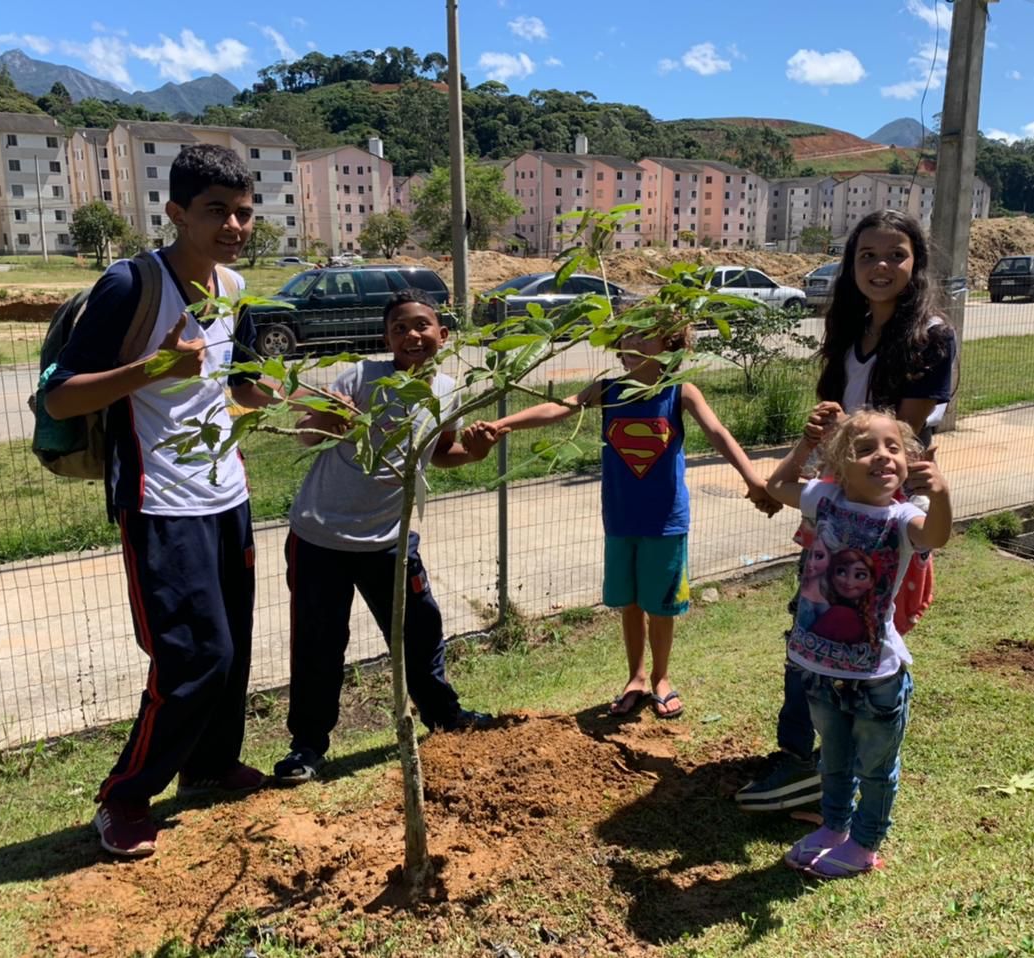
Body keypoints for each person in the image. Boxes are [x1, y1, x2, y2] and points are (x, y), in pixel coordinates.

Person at [44, 144, 276, 858]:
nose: (234, 225)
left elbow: (233, 387)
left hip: (225, 492)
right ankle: (124, 797)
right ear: (176, 212)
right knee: (191, 656)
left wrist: (265, 395)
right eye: (216, 211)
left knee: (230, 650)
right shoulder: (130, 284)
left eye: (242, 211)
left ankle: (206, 765)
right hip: (156, 500)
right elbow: (59, 392)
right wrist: (153, 367)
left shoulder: (235, 287)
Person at [736, 209, 958, 813]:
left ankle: (828, 770)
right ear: (850, 264)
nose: (881, 267)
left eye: (896, 255)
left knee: (860, 631)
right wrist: (812, 457)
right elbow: (843, 428)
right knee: (813, 621)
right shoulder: (850, 329)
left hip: (882, 514)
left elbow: (900, 442)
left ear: (916, 265)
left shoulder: (930, 335)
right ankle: (809, 762)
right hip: (837, 500)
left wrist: (833, 479)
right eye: (867, 255)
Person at [482, 318, 777, 720]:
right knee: (630, 603)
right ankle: (635, 677)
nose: (632, 340)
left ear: (669, 343)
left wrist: (753, 477)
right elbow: (560, 407)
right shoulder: (609, 391)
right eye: (626, 336)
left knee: (661, 605)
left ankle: (661, 678)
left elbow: (718, 432)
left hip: (665, 522)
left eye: (644, 333)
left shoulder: (679, 392)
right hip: (620, 520)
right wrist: (503, 424)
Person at [273, 289, 496, 785]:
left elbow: (439, 453)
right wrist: (332, 421)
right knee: (319, 644)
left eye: (421, 325)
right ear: (386, 338)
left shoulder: (447, 389)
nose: (412, 335)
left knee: (420, 632)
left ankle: (443, 716)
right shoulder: (360, 377)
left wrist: (474, 455)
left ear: (442, 334)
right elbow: (310, 434)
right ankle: (307, 746)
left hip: (391, 541)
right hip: (320, 538)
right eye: (399, 328)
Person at [764, 408, 951, 878]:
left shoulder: (905, 517)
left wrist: (942, 492)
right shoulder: (824, 498)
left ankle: (865, 844)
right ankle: (833, 829)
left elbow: (937, 536)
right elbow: (774, 487)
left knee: (874, 768)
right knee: (834, 759)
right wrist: (806, 446)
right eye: (865, 449)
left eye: (893, 448)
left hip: (876, 677)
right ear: (840, 465)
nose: (882, 456)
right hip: (820, 669)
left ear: (908, 462)